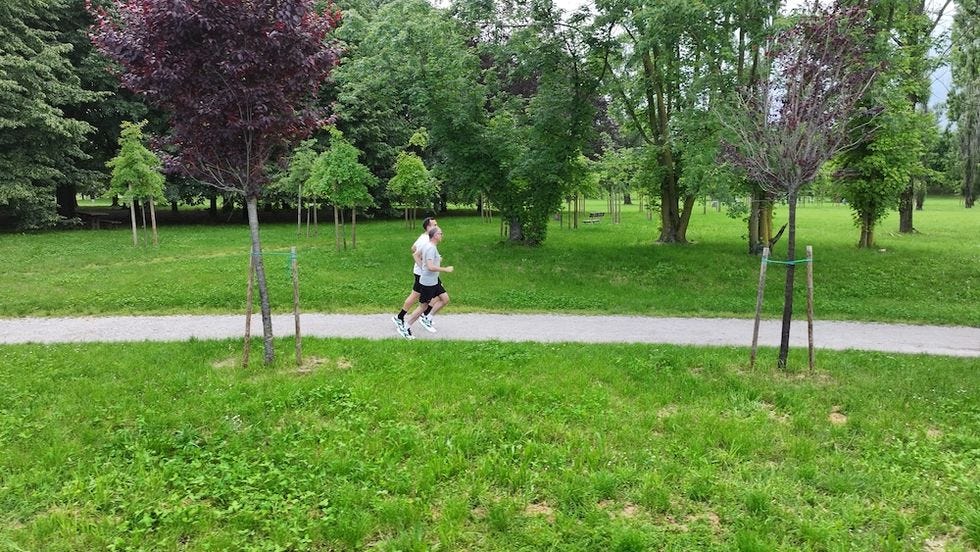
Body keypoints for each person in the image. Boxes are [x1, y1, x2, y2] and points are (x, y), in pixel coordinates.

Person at [402, 226, 452, 338]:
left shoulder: (429, 245)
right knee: (423, 306)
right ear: (435, 235)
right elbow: (430, 266)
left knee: (445, 299)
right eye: (440, 233)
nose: (442, 235)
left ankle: (427, 318)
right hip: (428, 283)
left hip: (434, 281)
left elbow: (416, 255)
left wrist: (423, 266)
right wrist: (445, 269)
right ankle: (406, 327)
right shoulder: (430, 248)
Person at [393, 217, 438, 338]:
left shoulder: (423, 237)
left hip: (422, 272)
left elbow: (413, 248)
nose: (437, 227)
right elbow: (415, 252)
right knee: (438, 295)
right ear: (428, 227)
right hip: (424, 273)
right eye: (434, 225)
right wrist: (426, 263)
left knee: (415, 295)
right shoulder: (425, 240)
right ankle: (424, 316)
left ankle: (400, 317)